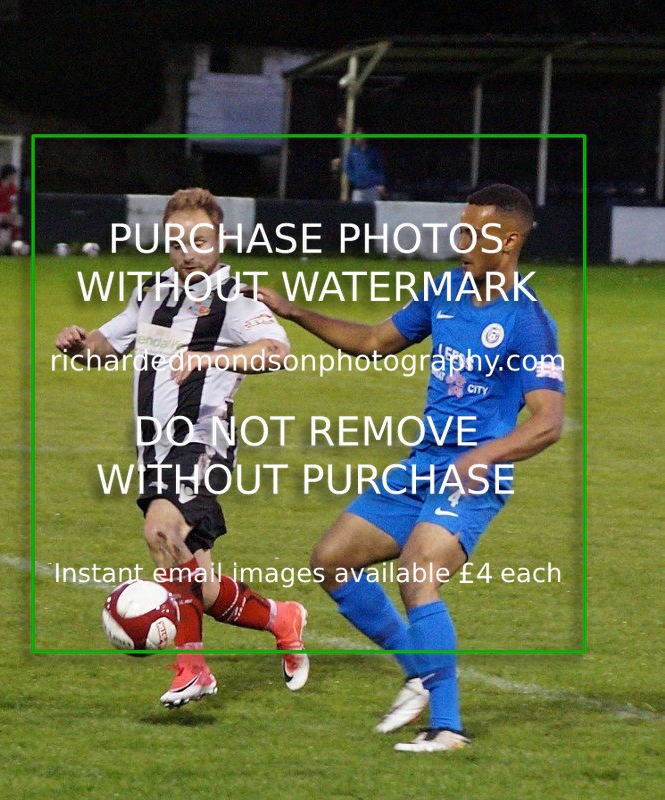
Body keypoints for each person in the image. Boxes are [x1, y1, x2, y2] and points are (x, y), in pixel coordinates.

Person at [249, 184, 565, 752]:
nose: (461, 240)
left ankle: (448, 727)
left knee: (419, 568)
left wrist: (482, 455)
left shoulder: (528, 321)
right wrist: (293, 311)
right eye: (460, 228)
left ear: (510, 239)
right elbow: (373, 340)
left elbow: (547, 422)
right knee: (333, 560)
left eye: (474, 232)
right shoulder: (444, 289)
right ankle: (419, 671)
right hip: (424, 464)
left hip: (475, 472)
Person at [55, 188, 309, 707]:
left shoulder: (235, 298)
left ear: (219, 240)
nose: (186, 251)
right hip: (155, 451)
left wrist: (209, 359)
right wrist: (80, 345)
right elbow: (104, 347)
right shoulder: (151, 294)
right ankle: (283, 618)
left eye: (198, 240)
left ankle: (192, 669)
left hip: (202, 441)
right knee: (194, 579)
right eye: (176, 242)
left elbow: (274, 352)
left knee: (161, 530)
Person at [344, 128, 386, 202]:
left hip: (372, 189)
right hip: (358, 190)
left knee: (373, 211)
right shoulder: (352, 151)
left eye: (359, 136)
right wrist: (355, 179)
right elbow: (348, 168)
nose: (356, 139)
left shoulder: (373, 152)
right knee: (357, 212)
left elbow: (380, 169)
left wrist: (381, 184)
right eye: (355, 136)